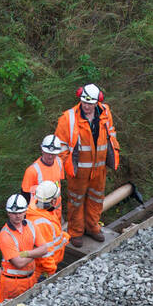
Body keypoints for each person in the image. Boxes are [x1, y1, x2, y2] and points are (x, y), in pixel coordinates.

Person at [54, 83, 120, 246]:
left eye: (90, 103)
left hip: (99, 169)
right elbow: (60, 144)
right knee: (76, 201)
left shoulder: (105, 112)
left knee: (96, 199)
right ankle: (75, 232)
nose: (87, 106)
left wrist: (114, 151)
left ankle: (92, 227)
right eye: (84, 102)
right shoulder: (68, 118)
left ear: (97, 102)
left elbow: (111, 133)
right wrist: (66, 165)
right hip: (78, 171)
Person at [0, 193, 50, 306]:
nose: (17, 216)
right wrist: (36, 252)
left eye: (20, 212)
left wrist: (25, 253)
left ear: (25, 211)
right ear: (8, 213)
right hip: (12, 284)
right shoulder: (5, 235)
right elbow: (18, 263)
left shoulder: (30, 226)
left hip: (31, 278)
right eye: (14, 213)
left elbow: (45, 249)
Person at [25, 180, 66, 277]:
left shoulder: (38, 208)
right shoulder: (42, 223)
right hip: (43, 270)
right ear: (53, 201)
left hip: (45, 266)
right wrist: (51, 272)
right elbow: (45, 254)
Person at [23, 134, 68, 207]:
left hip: (56, 211)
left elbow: (58, 183)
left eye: (53, 154)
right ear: (42, 151)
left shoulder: (59, 162)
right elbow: (25, 196)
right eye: (47, 153)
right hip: (41, 212)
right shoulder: (32, 171)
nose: (50, 157)